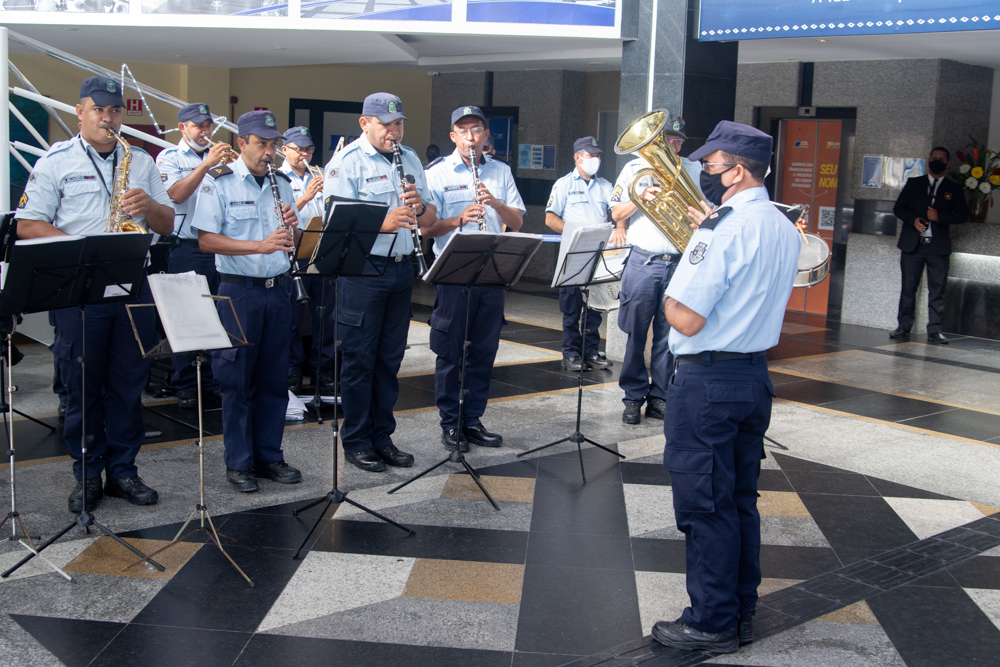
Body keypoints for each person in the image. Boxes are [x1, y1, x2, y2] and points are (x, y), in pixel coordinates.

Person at [652, 120, 800, 654]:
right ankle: (740, 607)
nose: (703, 174)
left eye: (710, 167)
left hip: (708, 380)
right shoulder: (782, 224)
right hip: (752, 376)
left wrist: (675, 282)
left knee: (705, 504)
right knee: (738, 499)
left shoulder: (724, 229)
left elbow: (686, 318)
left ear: (736, 171)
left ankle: (710, 621)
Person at [15, 75, 174, 512]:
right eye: (99, 110)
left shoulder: (139, 160)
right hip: (80, 290)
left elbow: (167, 224)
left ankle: (124, 471)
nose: (108, 119)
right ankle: (86, 473)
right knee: (83, 385)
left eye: (115, 111)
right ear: (80, 111)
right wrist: (79, 248)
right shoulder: (55, 160)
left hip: (131, 287)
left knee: (128, 385)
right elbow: (28, 224)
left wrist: (151, 207)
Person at [191, 110, 304, 493]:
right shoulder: (219, 183)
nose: (268, 152)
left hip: (278, 289)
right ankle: (239, 462)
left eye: (273, 145)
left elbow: (295, 236)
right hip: (239, 291)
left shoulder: (282, 182)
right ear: (242, 143)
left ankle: (268, 455)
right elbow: (206, 240)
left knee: (274, 379)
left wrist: (293, 226)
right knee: (236, 380)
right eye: (261, 144)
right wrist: (259, 245)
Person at [323, 93, 435, 472]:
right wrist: (383, 222)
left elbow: (431, 213)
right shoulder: (346, 162)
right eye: (386, 125)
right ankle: (356, 440)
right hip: (364, 272)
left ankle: (382, 436)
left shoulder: (411, 157)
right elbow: (337, 224)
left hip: (402, 269)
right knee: (359, 360)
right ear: (364, 123)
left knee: (390, 359)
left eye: (398, 124)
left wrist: (418, 206)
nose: (394, 131)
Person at [423, 106, 525, 452]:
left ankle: (473, 420)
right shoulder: (436, 173)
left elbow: (519, 221)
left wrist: (494, 202)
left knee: (483, 351)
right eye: (463, 130)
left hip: (491, 273)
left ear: (485, 135)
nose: (470, 136)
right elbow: (426, 228)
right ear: (453, 136)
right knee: (451, 353)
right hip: (453, 274)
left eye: (476, 130)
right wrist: (458, 220)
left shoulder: (500, 171)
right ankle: (450, 423)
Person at [610, 113, 693, 426]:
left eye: (678, 141)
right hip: (645, 262)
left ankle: (660, 396)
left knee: (667, 336)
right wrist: (640, 197)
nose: (673, 145)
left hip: (678, 263)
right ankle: (632, 397)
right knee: (635, 334)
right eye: (669, 140)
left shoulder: (693, 170)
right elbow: (616, 210)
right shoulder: (635, 169)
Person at [156, 102, 232, 409]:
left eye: (208, 126)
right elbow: (175, 195)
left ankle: (213, 380)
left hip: (220, 244)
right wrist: (205, 165)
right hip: (187, 246)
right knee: (187, 316)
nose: (205, 132)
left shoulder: (222, 157)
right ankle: (186, 384)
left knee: (218, 315)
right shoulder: (169, 158)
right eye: (198, 126)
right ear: (183, 126)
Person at [545, 136, 615, 372]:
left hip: (598, 255)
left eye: (597, 156)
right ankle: (571, 352)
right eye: (591, 155)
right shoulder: (564, 184)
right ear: (578, 157)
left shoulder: (605, 185)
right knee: (572, 307)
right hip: (574, 253)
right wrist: (576, 231)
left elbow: (617, 213)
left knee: (595, 307)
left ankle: (591, 351)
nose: (595, 159)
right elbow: (550, 218)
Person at [890, 147, 968, 344]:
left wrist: (939, 217)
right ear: (928, 161)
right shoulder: (914, 183)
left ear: (948, 163)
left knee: (937, 290)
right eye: (934, 158)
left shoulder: (954, 188)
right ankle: (903, 326)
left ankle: (934, 330)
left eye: (941, 159)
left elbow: (962, 215)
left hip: (937, 247)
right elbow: (898, 208)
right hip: (912, 246)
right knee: (908, 288)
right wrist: (913, 220)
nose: (937, 161)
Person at [280, 126, 337, 393]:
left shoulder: (319, 174)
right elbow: (279, 216)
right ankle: (292, 368)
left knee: (324, 313)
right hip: (292, 251)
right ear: (285, 150)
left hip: (320, 249)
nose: (305, 154)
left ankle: (320, 366)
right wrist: (306, 196)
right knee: (291, 315)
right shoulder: (277, 177)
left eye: (309, 149)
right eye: (299, 149)